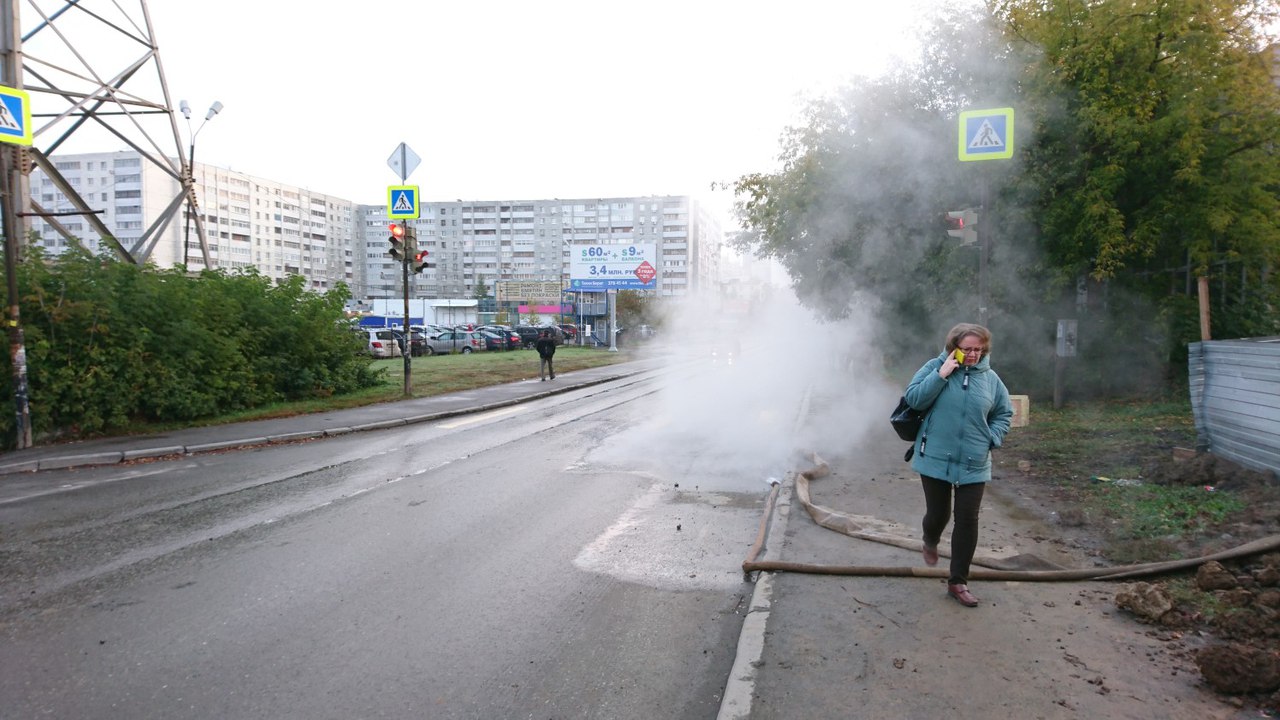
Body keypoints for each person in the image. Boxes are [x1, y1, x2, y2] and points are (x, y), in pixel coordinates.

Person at [903, 323, 1013, 608]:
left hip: (974, 461)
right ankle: (930, 538)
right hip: (936, 457)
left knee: (967, 518)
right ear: (955, 348)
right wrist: (941, 375)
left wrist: (994, 436)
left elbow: (1004, 413)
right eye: (968, 349)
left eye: (979, 349)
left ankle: (958, 582)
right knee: (938, 514)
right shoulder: (934, 367)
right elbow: (913, 400)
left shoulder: (991, 380)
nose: (974, 354)